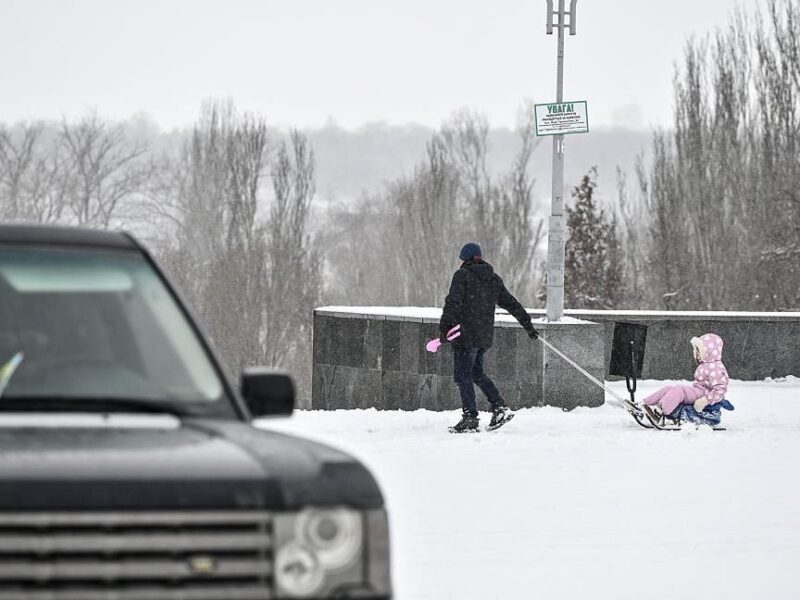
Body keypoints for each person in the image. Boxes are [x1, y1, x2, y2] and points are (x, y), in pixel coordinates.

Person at [438, 242, 539, 433]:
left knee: (463, 376)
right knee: (476, 373)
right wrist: (528, 325)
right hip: (483, 336)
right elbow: (512, 304)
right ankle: (499, 407)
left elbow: (453, 302)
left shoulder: (462, 275)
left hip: (465, 335)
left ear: (465, 258)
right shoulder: (493, 279)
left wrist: (445, 328)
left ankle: (470, 417)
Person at [642, 333, 730, 424]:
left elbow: (721, 389)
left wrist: (705, 400)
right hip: (698, 391)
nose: (696, 353)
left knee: (680, 390)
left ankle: (659, 411)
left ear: (709, 351)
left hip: (704, 394)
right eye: (695, 350)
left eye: (699, 350)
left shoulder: (716, 367)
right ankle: (645, 405)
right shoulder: (706, 364)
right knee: (669, 389)